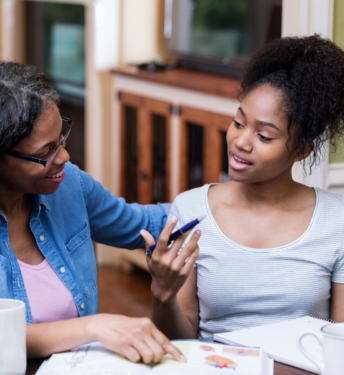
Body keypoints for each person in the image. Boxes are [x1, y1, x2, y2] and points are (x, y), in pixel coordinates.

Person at [141, 35, 344, 339]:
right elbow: (182, 342)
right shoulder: (192, 209)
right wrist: (163, 295)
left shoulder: (339, 219)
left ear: (302, 150)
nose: (241, 142)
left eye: (264, 136)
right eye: (238, 123)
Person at [0, 61, 200, 362]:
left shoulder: (70, 186)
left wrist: (224, 201)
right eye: (46, 152)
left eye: (62, 139)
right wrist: (92, 326)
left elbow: (147, 225)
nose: (64, 157)